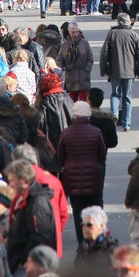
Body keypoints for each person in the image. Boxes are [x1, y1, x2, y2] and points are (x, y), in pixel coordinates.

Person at [55, 101, 107, 243]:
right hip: (93, 178)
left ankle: (82, 242)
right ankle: (95, 241)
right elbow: (102, 156)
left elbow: (60, 158)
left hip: (72, 179)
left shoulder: (66, 133)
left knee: (78, 212)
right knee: (94, 211)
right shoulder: (96, 132)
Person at [4, 160, 58, 275]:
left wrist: (23, 260)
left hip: (30, 267)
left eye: (12, 180)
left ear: (23, 180)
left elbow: (39, 237)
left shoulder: (37, 203)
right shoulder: (26, 199)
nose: (10, 184)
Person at [100, 13, 139, 131]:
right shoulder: (134, 35)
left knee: (115, 94)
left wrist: (103, 69)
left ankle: (115, 113)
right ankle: (126, 124)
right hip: (130, 71)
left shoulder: (112, 34)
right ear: (128, 22)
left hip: (115, 70)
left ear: (118, 22)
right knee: (127, 97)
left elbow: (104, 53)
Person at [60, 23, 94, 102]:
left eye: (76, 28)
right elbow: (60, 58)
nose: (75, 31)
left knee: (84, 102)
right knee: (72, 103)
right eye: (73, 29)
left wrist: (87, 69)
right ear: (69, 31)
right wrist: (60, 69)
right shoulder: (65, 45)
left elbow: (90, 57)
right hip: (71, 78)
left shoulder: (84, 43)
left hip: (83, 77)